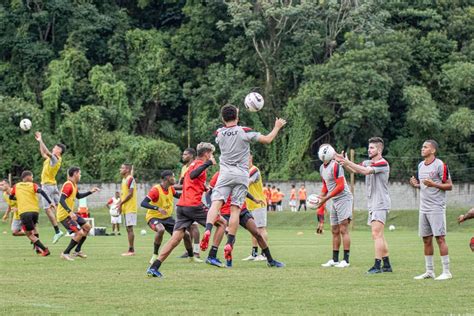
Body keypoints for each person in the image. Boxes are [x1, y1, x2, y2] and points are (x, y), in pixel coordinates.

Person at [201, 104, 286, 263]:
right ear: (237, 117)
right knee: (235, 210)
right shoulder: (245, 131)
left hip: (224, 173)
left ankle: (207, 230)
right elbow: (267, 139)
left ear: (222, 118)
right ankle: (229, 244)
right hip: (240, 174)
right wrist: (277, 127)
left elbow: (224, 131)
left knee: (216, 203)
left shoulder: (219, 133)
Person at [147, 143, 227, 278]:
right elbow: (194, 175)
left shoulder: (192, 165)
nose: (212, 156)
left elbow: (191, 181)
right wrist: (208, 163)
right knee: (222, 223)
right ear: (207, 153)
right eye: (211, 154)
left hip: (182, 206)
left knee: (175, 239)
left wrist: (205, 187)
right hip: (193, 205)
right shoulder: (199, 165)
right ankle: (212, 256)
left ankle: (154, 267)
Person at [335, 137, 392, 274]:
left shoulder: (382, 163)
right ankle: (387, 265)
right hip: (373, 204)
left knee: (376, 234)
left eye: (372, 147)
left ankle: (377, 266)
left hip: (380, 203)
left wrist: (347, 161)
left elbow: (365, 171)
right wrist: (343, 162)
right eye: (369, 147)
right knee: (380, 235)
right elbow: (355, 170)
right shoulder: (368, 162)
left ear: (379, 149)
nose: (369, 149)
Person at [209, 171, 284, 268]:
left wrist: (254, 199)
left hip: (242, 209)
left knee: (257, 233)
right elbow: (210, 192)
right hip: (227, 213)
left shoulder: (238, 172)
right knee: (231, 238)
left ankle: (270, 260)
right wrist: (213, 208)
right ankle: (229, 263)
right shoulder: (218, 175)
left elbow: (242, 189)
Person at [410, 140, 453, 280]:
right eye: (422, 146)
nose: (422, 149)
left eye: (425, 147)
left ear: (433, 150)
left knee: (440, 238)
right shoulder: (421, 165)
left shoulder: (440, 165)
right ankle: (430, 271)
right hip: (424, 208)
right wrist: (417, 185)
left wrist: (434, 184)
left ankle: (446, 271)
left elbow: (449, 185)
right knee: (426, 239)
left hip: (436, 208)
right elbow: (425, 186)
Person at [140, 170, 201, 264]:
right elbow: (143, 203)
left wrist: (193, 194)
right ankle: (155, 255)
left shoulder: (170, 189)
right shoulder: (156, 190)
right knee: (160, 229)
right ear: (168, 178)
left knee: (187, 235)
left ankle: (191, 257)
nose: (175, 179)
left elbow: (179, 196)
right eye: (173, 177)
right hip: (153, 217)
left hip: (167, 218)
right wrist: (157, 208)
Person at [317, 144, 353, 269]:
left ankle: (346, 260)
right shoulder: (322, 167)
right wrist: (319, 198)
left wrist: (325, 199)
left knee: (344, 229)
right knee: (334, 230)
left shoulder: (336, 166)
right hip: (334, 200)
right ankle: (335, 259)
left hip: (343, 198)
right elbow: (326, 185)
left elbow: (340, 186)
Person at [5, 171, 53, 256]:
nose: (33, 178)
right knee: (33, 229)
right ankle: (37, 247)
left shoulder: (17, 186)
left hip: (24, 213)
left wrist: (18, 198)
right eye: (32, 177)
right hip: (35, 212)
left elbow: (11, 197)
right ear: (29, 177)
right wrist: (50, 202)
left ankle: (44, 249)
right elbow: (41, 191)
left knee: (29, 234)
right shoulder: (33, 185)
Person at [57, 167, 100, 261]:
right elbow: (61, 200)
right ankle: (65, 253)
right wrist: (69, 212)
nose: (80, 175)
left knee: (87, 227)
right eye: (79, 174)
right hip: (64, 215)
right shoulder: (68, 185)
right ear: (75, 173)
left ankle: (77, 250)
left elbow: (79, 196)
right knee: (79, 233)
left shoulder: (74, 185)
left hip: (70, 214)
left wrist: (90, 192)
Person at [34, 131, 66, 244]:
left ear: (59, 151)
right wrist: (39, 142)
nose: (54, 148)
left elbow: (46, 152)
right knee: (58, 207)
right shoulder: (51, 159)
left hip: (47, 186)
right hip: (53, 185)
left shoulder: (55, 159)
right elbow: (43, 153)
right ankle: (70, 228)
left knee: (47, 209)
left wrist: (41, 140)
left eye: (55, 147)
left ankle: (57, 231)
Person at [242, 155, 270, 261]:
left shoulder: (254, 170)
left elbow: (246, 182)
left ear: (250, 158)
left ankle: (263, 254)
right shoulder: (246, 171)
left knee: (261, 229)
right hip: (251, 204)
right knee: (253, 230)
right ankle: (254, 254)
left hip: (259, 204)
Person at [178, 148, 201, 259]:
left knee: (194, 226)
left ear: (191, 156)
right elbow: (182, 184)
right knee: (187, 228)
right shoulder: (183, 168)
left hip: (194, 200)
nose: (183, 156)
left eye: (185, 154)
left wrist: (169, 187)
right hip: (185, 200)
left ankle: (197, 252)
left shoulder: (196, 166)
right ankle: (189, 251)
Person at [118, 163, 137, 256]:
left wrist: (120, 203)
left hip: (130, 207)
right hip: (126, 207)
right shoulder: (124, 179)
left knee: (130, 229)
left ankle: (131, 250)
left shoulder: (130, 179)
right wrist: (121, 205)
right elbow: (124, 194)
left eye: (122, 168)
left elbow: (130, 194)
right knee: (128, 229)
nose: (120, 169)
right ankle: (130, 249)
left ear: (127, 170)